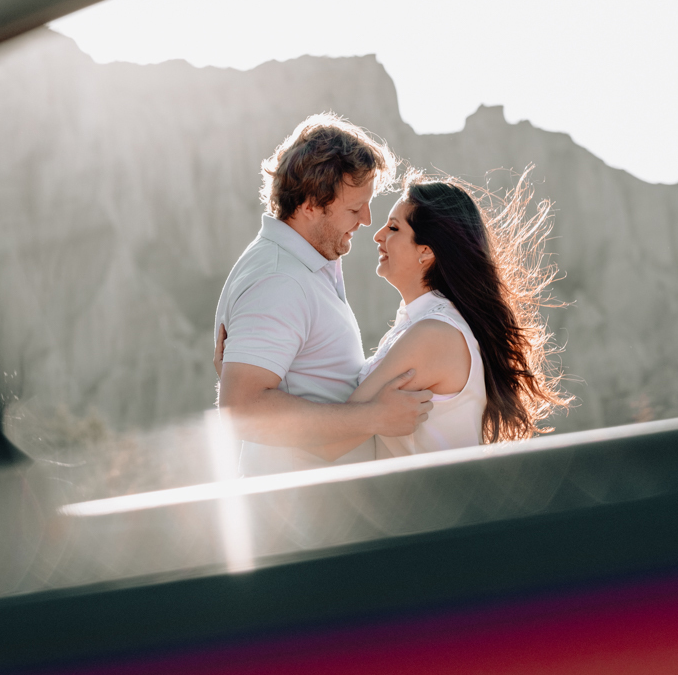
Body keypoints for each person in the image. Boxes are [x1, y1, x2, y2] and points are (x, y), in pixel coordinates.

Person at [217, 166, 570, 464]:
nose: (378, 235)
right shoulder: (422, 325)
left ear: (426, 253)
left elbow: (330, 444)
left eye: (395, 228)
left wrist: (250, 385)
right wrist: (250, 368)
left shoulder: (431, 336)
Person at [213, 113, 433, 476]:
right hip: (297, 520)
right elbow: (241, 411)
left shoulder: (301, 265)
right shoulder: (279, 278)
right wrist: (376, 417)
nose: (366, 219)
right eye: (353, 207)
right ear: (311, 204)